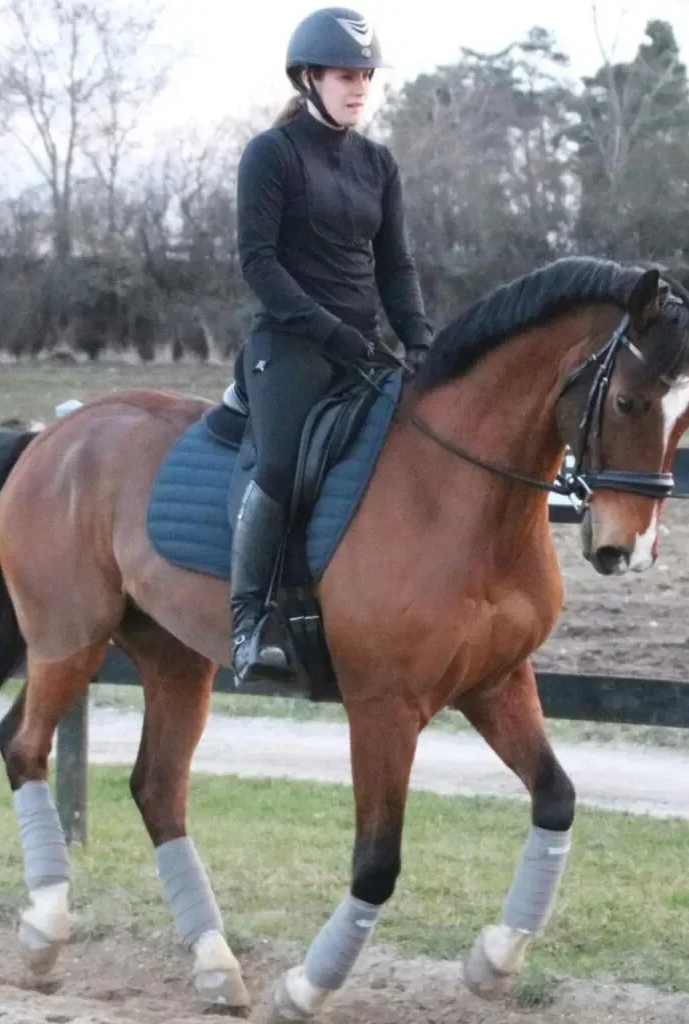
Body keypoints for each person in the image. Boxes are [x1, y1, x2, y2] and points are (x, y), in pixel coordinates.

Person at [229, 6, 434, 685]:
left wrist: (419, 340)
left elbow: (395, 267)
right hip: (289, 346)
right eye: (347, 76)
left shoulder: (378, 164)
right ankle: (249, 621)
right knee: (284, 465)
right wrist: (333, 332)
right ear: (310, 77)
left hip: (362, 349)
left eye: (367, 78)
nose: (359, 89)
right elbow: (259, 263)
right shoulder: (272, 154)